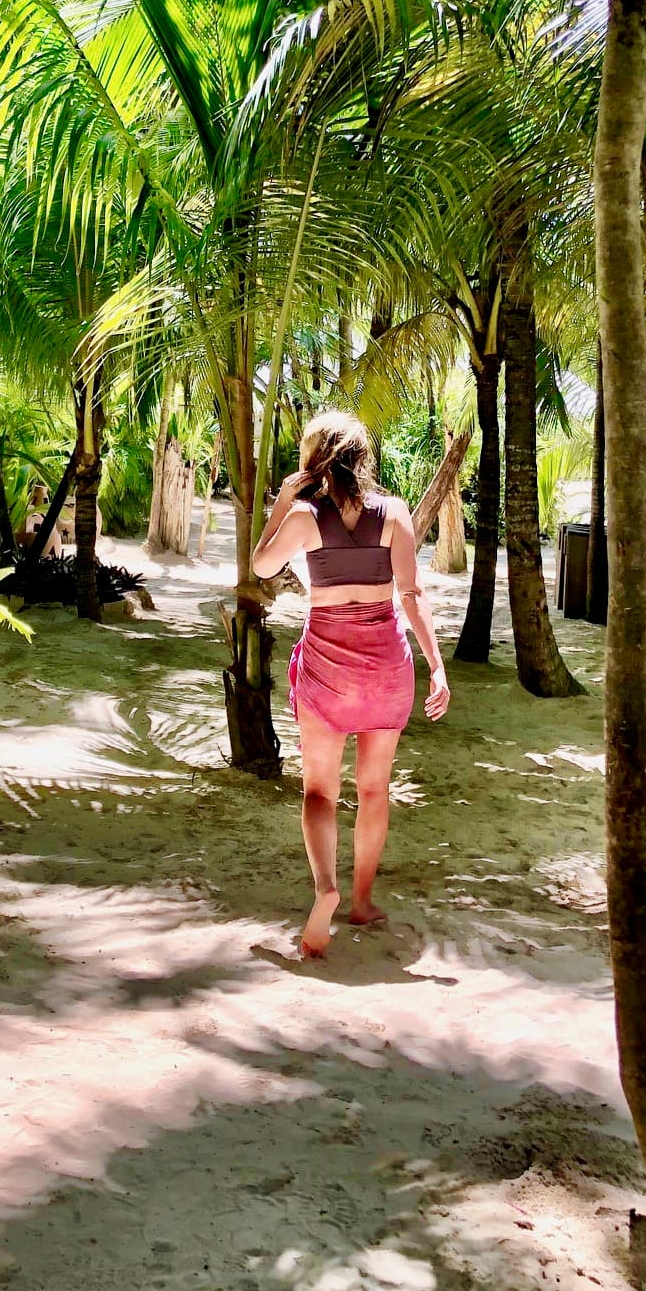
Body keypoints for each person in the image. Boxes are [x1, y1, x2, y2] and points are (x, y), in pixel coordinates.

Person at [252, 409, 450, 958]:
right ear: (363, 458)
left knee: (320, 790)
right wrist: (436, 665)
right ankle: (362, 900)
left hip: (328, 669)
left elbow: (263, 566)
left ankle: (327, 890)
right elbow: (411, 595)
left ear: (315, 459)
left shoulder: (303, 515)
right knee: (373, 790)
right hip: (386, 667)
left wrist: (279, 506)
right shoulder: (395, 513)